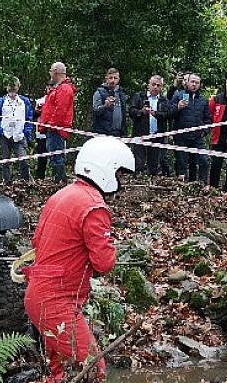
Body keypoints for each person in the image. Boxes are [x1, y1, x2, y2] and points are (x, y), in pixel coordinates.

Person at [23, 136, 135, 383]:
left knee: (62, 375)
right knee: (93, 369)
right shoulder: (95, 207)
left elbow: (37, 243)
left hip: (38, 296)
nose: (120, 182)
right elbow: (104, 263)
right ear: (107, 168)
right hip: (56, 301)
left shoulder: (62, 194)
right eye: (119, 174)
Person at [0, 78, 33, 183]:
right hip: (5, 135)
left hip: (19, 135)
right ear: (7, 88)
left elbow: (29, 118)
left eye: (14, 90)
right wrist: (0, 131)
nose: (12, 93)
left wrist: (26, 132)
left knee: (23, 159)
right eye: (10, 90)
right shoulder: (0, 102)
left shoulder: (25, 102)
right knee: (5, 161)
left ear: (18, 88)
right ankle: (7, 182)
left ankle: (26, 181)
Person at [169, 73, 210, 182]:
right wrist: (178, 107)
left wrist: (204, 131)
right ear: (187, 83)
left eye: (197, 82)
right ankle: (180, 187)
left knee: (203, 160)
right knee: (181, 163)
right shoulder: (178, 95)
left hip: (197, 137)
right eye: (192, 82)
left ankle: (202, 184)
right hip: (181, 136)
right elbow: (169, 114)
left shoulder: (203, 100)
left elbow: (208, 119)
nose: (194, 84)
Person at [40, 62, 77, 182]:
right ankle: (58, 179)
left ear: (56, 71)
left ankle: (60, 180)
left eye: (51, 71)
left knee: (56, 155)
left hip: (57, 128)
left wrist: (51, 124)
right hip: (53, 127)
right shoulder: (58, 88)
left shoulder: (64, 89)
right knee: (54, 154)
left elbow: (61, 109)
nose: (50, 74)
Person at [129, 75, 170, 175]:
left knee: (154, 164)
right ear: (148, 85)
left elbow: (167, 115)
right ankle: (137, 182)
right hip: (140, 133)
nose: (155, 87)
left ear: (161, 87)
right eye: (153, 84)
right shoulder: (139, 96)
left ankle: (152, 184)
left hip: (156, 135)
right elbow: (131, 111)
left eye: (158, 85)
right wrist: (141, 112)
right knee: (139, 162)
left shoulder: (164, 100)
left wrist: (155, 114)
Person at [92, 68, 127, 137]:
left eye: (115, 78)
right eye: (110, 78)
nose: (113, 80)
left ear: (118, 79)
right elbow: (95, 111)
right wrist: (105, 106)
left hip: (119, 133)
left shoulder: (121, 94)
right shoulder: (99, 92)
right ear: (106, 78)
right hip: (103, 133)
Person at [34, 80, 55, 180]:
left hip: (54, 132)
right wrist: (38, 111)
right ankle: (39, 178)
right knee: (41, 157)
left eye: (52, 87)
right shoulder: (40, 101)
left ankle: (55, 179)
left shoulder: (57, 100)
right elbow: (33, 116)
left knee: (54, 156)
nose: (50, 89)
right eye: (48, 87)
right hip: (41, 133)